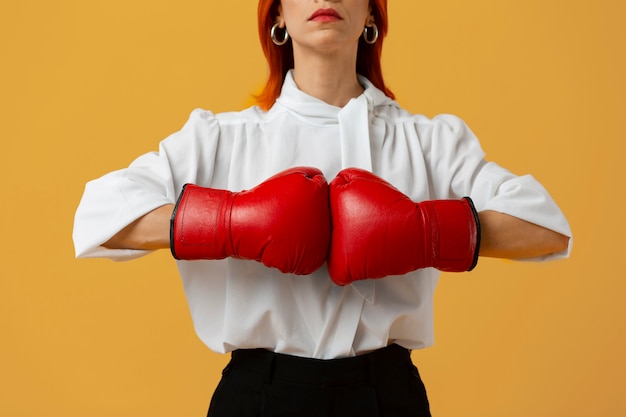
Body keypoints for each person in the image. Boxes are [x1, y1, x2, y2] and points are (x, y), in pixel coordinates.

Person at [73, 0, 572, 416]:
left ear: (371, 16)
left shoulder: (430, 141)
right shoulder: (222, 138)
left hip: (387, 397)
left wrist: (424, 231)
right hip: (258, 399)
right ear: (278, 17)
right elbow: (100, 216)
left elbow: (546, 228)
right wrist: (231, 222)